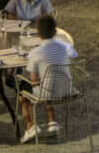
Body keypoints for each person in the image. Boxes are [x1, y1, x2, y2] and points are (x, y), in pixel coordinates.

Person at [19, 13, 75, 143]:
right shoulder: (65, 47)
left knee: (23, 89)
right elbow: (74, 54)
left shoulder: (35, 52)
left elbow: (34, 81)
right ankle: (52, 121)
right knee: (49, 80)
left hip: (48, 93)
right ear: (55, 31)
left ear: (38, 34)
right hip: (67, 90)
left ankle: (30, 126)